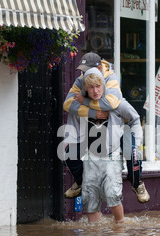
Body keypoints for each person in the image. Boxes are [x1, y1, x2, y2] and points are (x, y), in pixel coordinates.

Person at [62, 52, 150, 203]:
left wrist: (84, 101)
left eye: (86, 70)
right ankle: (81, 182)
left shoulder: (112, 79)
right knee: (70, 154)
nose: (83, 74)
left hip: (121, 127)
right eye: (82, 71)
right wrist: (94, 113)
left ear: (98, 68)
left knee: (133, 155)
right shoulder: (81, 79)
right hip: (97, 128)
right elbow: (68, 104)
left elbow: (111, 104)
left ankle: (137, 183)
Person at [80, 68, 143, 223]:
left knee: (112, 194)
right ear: (86, 89)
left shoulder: (117, 103)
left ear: (103, 86)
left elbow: (135, 118)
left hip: (112, 155)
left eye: (98, 87)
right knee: (90, 198)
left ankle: (119, 233)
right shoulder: (82, 104)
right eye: (91, 87)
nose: (95, 91)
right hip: (90, 157)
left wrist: (135, 143)